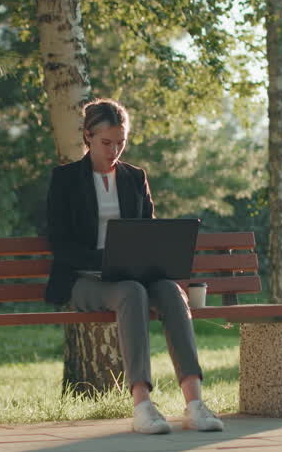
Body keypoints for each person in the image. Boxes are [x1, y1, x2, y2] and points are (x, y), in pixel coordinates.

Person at [45, 98, 224, 435]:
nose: (114, 150)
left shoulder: (134, 177)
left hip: (133, 275)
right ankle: (142, 405)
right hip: (84, 281)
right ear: (88, 136)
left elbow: (147, 233)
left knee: (171, 292)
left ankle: (195, 403)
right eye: (105, 143)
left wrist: (145, 260)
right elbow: (61, 245)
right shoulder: (65, 179)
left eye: (120, 143)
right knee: (131, 292)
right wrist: (107, 259)